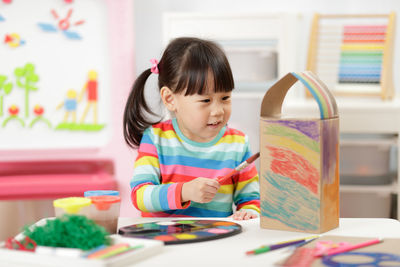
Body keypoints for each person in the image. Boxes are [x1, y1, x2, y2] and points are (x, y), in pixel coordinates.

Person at [123, 37, 260, 220]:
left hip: (216, 239)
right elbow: (140, 196)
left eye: (225, 98)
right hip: (163, 239)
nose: (218, 111)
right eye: (205, 100)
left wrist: (250, 212)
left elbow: (251, 199)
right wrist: (184, 191)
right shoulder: (156, 138)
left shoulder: (237, 143)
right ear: (170, 99)